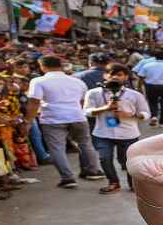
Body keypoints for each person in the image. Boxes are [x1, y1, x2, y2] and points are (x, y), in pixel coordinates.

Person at [25, 55, 106, 189]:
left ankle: (68, 178)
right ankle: (93, 171)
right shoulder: (77, 81)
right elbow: (82, 101)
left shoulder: (38, 81)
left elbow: (34, 102)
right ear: (61, 66)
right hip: (77, 116)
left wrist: (28, 121)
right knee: (85, 144)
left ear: (42, 66)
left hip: (52, 118)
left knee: (57, 148)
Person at [84, 63, 149, 194]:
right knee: (104, 158)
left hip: (128, 134)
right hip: (103, 132)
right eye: (111, 74)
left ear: (125, 77)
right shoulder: (93, 93)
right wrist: (105, 108)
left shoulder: (134, 95)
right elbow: (86, 111)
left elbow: (146, 114)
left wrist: (130, 115)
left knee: (128, 162)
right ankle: (113, 182)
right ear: (105, 75)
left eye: (119, 74)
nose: (114, 77)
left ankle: (133, 185)